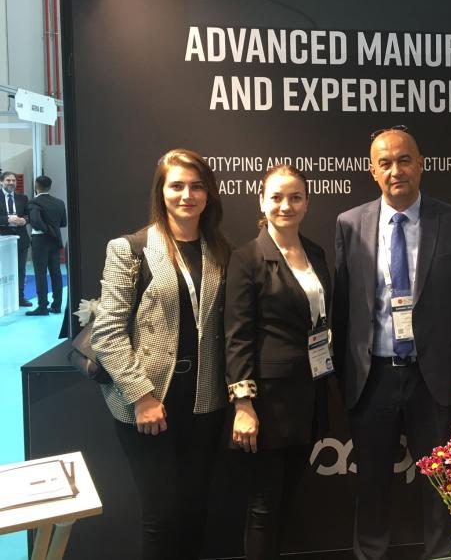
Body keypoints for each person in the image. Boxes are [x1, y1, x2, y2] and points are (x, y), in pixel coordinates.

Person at [333, 126, 451, 560]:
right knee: (372, 485)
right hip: (372, 377)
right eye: (385, 163)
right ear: (372, 171)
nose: (395, 170)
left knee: (443, 486)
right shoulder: (350, 224)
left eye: (404, 160)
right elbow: (343, 309)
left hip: (432, 377)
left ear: (420, 164)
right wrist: (344, 378)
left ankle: (442, 555)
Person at [91, 148, 231, 560]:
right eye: (177, 186)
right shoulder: (130, 249)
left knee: (195, 509)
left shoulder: (221, 250)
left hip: (204, 399)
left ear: (208, 194)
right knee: (162, 516)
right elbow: (108, 331)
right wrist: (141, 396)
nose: (187, 195)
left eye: (197, 186)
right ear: (161, 192)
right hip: (150, 401)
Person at [225, 164, 331, 560]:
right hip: (268, 403)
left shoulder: (315, 252)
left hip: (309, 394)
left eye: (295, 197)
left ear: (306, 203)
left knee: (289, 499)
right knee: (264, 506)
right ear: (262, 201)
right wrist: (243, 404)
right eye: (277, 197)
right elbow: (237, 335)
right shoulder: (247, 258)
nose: (286, 206)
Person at [26, 175, 67, 316]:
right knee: (56, 273)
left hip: (40, 241)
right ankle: (57, 306)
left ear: (36, 186)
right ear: (50, 187)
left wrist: (47, 230)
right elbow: (63, 223)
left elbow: (36, 222)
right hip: (55, 240)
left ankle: (42, 306)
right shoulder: (59, 202)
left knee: (40, 273)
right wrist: (53, 231)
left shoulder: (33, 203)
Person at [1, 170, 31, 307]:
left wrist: (25, 220)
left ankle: (20, 297)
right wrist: (8, 219)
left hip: (20, 239)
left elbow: (28, 215)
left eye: (13, 180)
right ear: (1, 182)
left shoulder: (22, 198)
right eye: (8, 180)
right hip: (3, 240)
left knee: (20, 269)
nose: (11, 183)